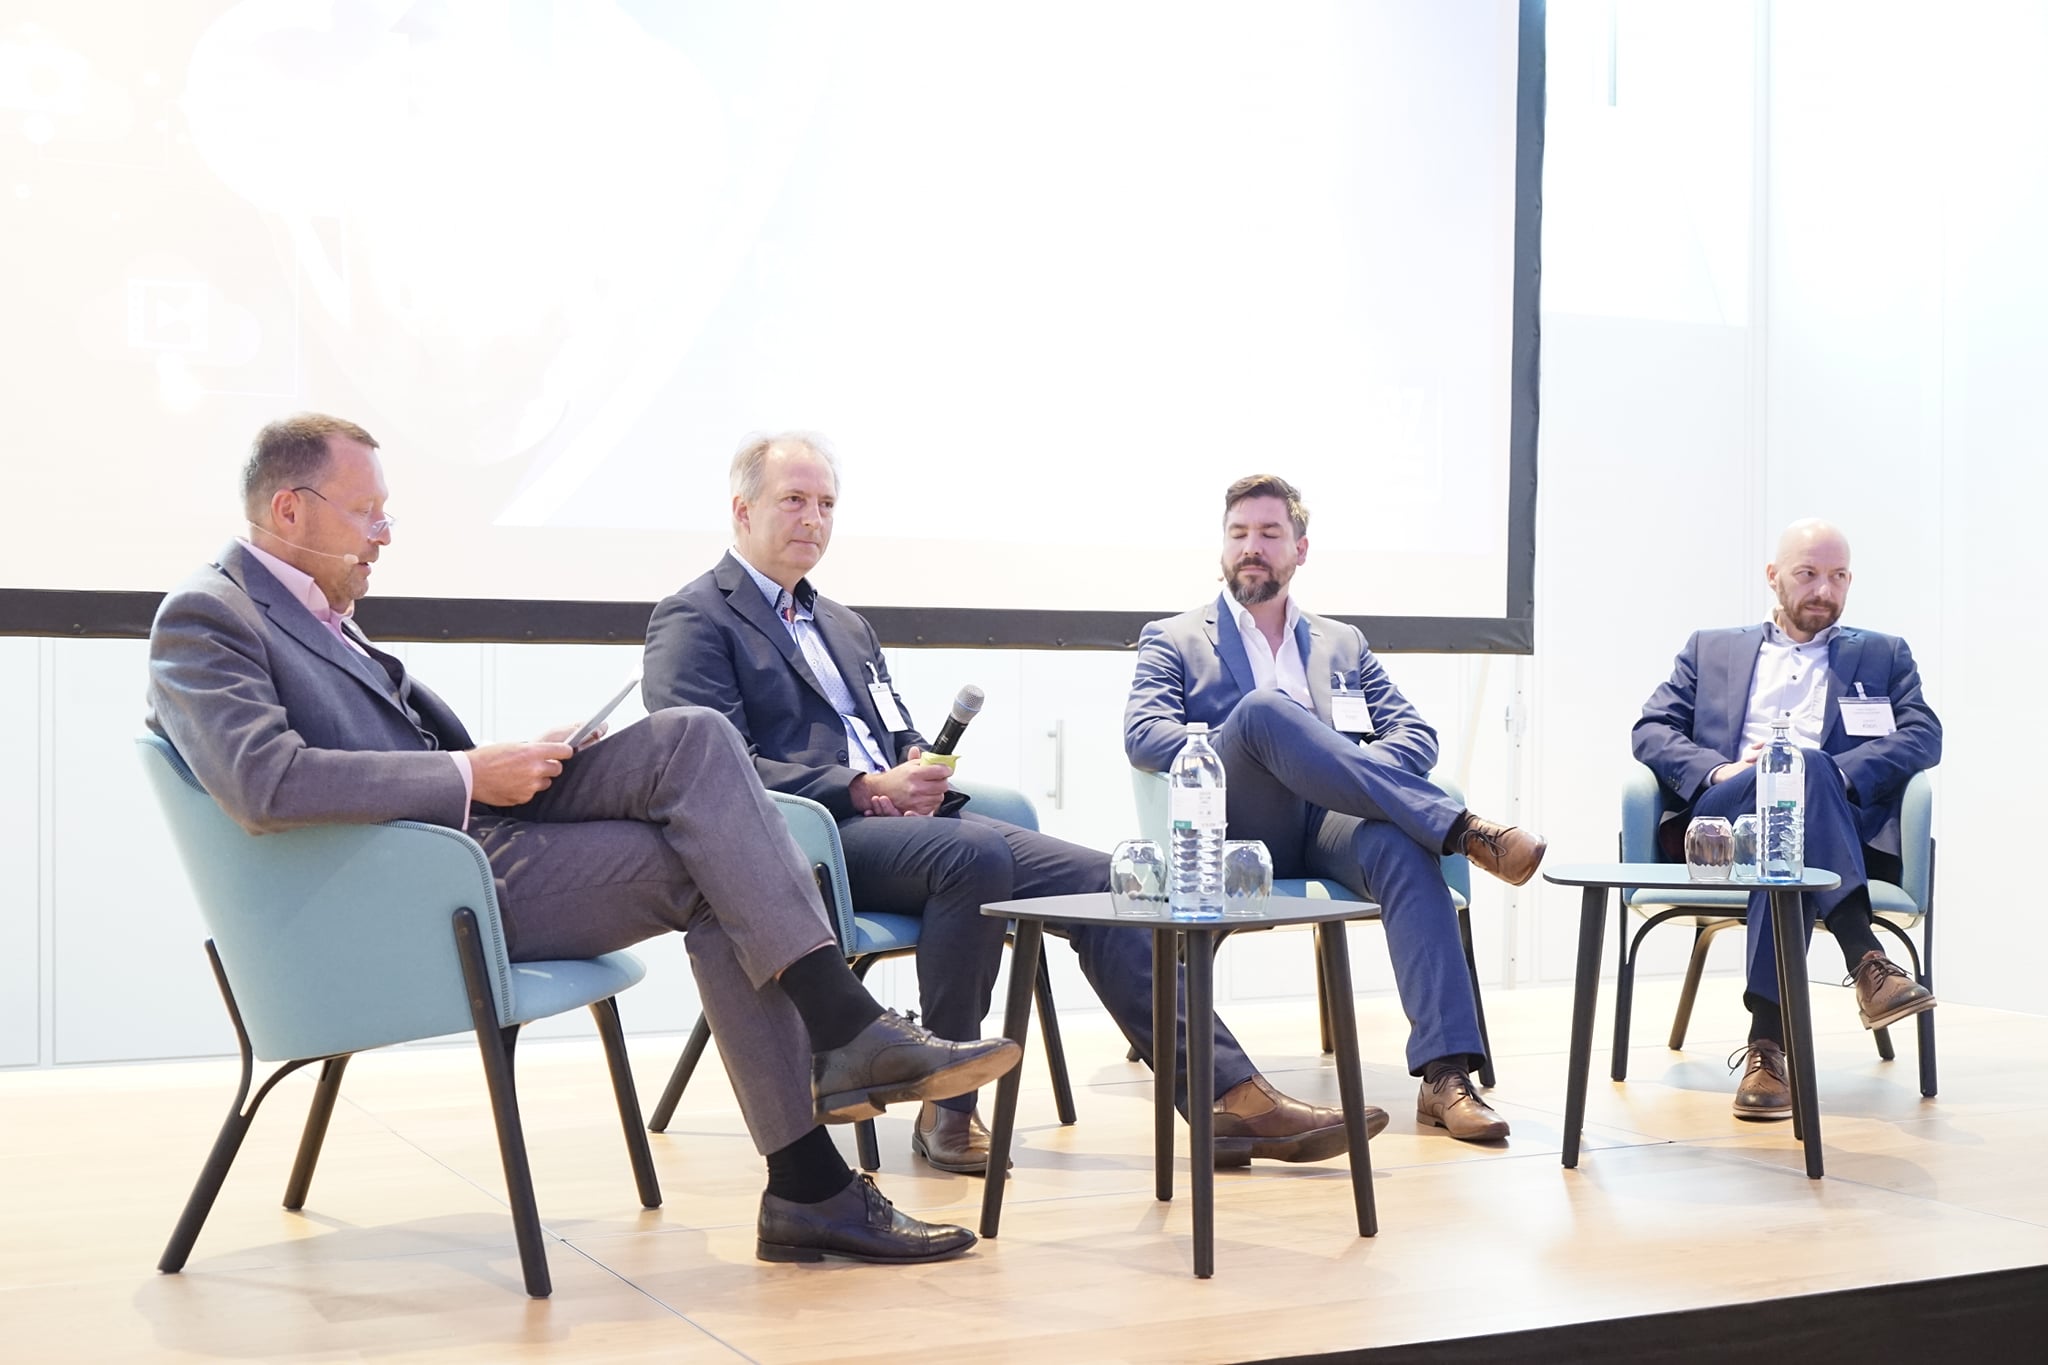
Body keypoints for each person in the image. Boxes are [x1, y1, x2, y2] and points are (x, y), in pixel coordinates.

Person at [146, 413, 1021, 1265]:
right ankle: (827, 1109)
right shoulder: (209, 616)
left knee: (694, 738)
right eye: (365, 512)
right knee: (724, 865)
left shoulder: (319, 612)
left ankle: (821, 1135)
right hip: (423, 891)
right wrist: (468, 776)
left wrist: (521, 759)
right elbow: (263, 782)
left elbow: (392, 756)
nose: (382, 535)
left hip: (465, 841)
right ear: (289, 509)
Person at [644, 432, 1375, 1177]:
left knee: (1111, 878)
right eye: (794, 500)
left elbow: (893, 731)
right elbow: (713, 774)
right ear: (741, 509)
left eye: (827, 503)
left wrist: (912, 769)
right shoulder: (696, 617)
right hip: (808, 842)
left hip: (905, 826)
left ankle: (1228, 1099)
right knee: (975, 856)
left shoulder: (843, 623)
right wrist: (862, 788)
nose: (814, 518)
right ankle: (947, 1109)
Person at [1125, 474, 1543, 1142]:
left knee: (1404, 849)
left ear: (1301, 548)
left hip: (1329, 825)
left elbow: (1416, 735)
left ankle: (1446, 1075)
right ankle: (1463, 830)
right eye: (1238, 534)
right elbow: (1144, 734)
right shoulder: (1173, 637)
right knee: (1265, 712)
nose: (1251, 548)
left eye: (1268, 534)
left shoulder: (1341, 642)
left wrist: (1344, 770)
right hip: (1232, 821)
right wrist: (1242, 741)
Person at [1632, 518, 1939, 1119]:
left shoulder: (1883, 654)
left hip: (1830, 822)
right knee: (1792, 788)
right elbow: (1651, 730)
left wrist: (1839, 774)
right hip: (1728, 820)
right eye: (1808, 574)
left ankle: (1766, 1050)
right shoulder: (1711, 648)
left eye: (1838, 576)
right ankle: (1867, 961)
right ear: (1773, 577)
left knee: (1798, 807)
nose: (1824, 589)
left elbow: (1924, 734)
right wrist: (1719, 772)